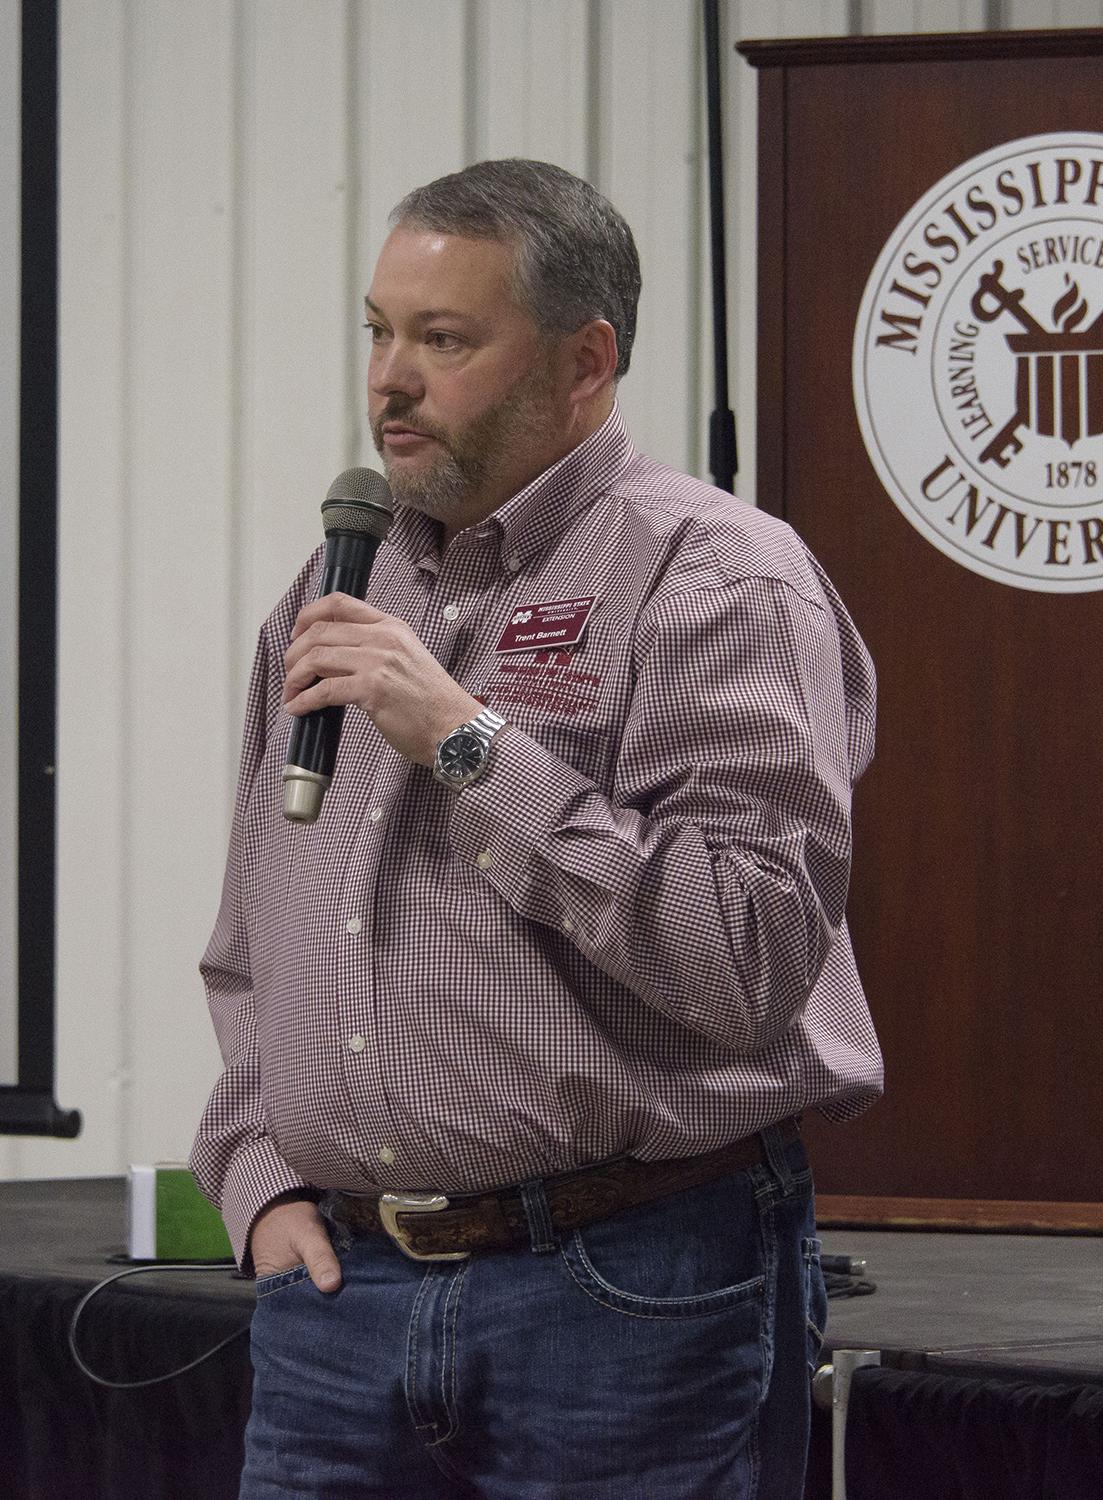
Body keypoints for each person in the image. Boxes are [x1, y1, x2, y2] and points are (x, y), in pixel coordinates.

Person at [192, 158, 882, 1500]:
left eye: (442, 340)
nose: (389, 378)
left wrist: (468, 743)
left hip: (623, 1290)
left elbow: (746, 957)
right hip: (341, 1297)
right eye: (379, 331)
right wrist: (258, 1175)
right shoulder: (341, 581)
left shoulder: (714, 578)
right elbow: (253, 939)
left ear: (587, 358)